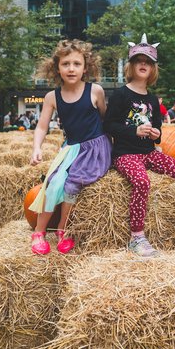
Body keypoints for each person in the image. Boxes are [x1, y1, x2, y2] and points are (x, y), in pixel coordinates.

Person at [104, 35, 175, 257]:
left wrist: (156, 134)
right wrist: (134, 130)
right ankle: (137, 237)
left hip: (148, 153)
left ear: (153, 69)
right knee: (142, 182)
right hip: (126, 154)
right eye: (139, 60)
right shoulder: (120, 94)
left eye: (148, 62)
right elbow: (109, 125)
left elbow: (158, 132)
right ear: (131, 66)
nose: (143, 64)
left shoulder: (152, 100)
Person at [29, 39, 111, 255]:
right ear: (57, 68)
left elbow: (106, 120)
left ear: (86, 67)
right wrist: (37, 147)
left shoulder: (96, 91)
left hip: (94, 149)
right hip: (71, 148)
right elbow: (41, 127)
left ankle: (63, 230)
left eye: (77, 63)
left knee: (72, 184)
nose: (71, 68)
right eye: (66, 64)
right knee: (53, 183)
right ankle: (38, 232)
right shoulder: (51, 97)